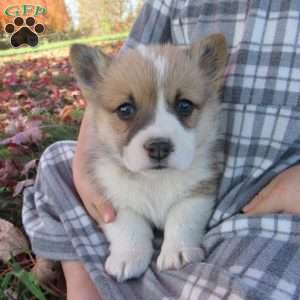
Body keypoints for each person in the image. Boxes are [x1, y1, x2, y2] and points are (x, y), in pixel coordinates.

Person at [22, 1, 300, 299]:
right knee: (56, 162)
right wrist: (130, 242)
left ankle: (116, 277)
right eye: (127, 110)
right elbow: (117, 206)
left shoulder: (200, 166)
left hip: (252, 211)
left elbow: (196, 196)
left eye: (183, 107)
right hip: (124, 194)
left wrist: (181, 236)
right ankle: (87, 280)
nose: (157, 140)